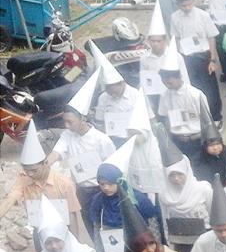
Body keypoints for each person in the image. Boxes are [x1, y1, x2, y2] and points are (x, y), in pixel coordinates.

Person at [48, 82, 115, 239]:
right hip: (81, 191)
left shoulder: (101, 140)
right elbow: (56, 153)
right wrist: (43, 165)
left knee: (106, 228)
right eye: (64, 122)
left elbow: (113, 165)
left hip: (101, 190)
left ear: (83, 118)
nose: (67, 125)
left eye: (70, 122)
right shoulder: (67, 136)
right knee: (90, 225)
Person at [0, 120, 82, 239]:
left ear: (45, 163)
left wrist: (76, 241)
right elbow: (10, 199)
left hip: (62, 230)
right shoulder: (24, 178)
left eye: (34, 170)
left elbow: (72, 213)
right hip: (39, 229)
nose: (30, 174)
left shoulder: (64, 183)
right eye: (27, 170)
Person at [170, 0, 223, 123]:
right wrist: (177, 59)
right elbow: (176, 38)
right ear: (178, 4)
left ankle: (216, 117)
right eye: (183, 6)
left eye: (188, 4)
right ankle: (198, 117)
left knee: (209, 88)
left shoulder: (203, 16)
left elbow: (211, 37)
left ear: (193, 2)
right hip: (186, 57)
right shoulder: (175, 18)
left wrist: (213, 59)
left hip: (203, 56)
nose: (186, 8)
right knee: (191, 88)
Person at [157, 45, 213, 160]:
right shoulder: (165, 96)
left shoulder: (195, 94)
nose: (166, 82)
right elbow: (164, 118)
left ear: (179, 77)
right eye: (164, 79)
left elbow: (207, 120)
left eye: (170, 79)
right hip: (177, 141)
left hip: (197, 141)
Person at [140, 1, 184, 107]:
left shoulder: (176, 56)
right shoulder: (145, 58)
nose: (155, 44)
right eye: (153, 41)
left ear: (164, 41)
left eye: (159, 41)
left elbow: (184, 78)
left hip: (173, 94)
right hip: (154, 96)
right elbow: (144, 78)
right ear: (149, 41)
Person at [92, 55, 142, 147]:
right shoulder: (103, 97)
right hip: (112, 139)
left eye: (115, 92)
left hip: (133, 138)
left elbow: (142, 121)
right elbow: (99, 121)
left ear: (121, 83)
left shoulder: (135, 95)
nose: (112, 95)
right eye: (109, 92)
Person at [194, 121, 226, 185]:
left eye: (218, 144)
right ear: (205, 146)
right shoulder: (198, 160)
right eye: (211, 145)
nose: (215, 148)